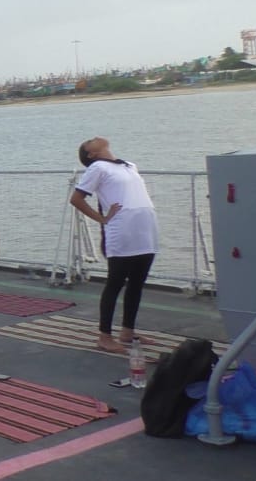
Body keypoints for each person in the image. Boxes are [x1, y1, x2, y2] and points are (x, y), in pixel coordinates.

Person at [70, 137, 159, 353]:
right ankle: (104, 336)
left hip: (144, 229)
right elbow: (77, 198)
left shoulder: (129, 165)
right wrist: (101, 219)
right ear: (91, 154)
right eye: (89, 142)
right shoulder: (97, 167)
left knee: (137, 283)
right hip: (122, 231)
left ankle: (128, 330)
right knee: (115, 283)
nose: (93, 139)